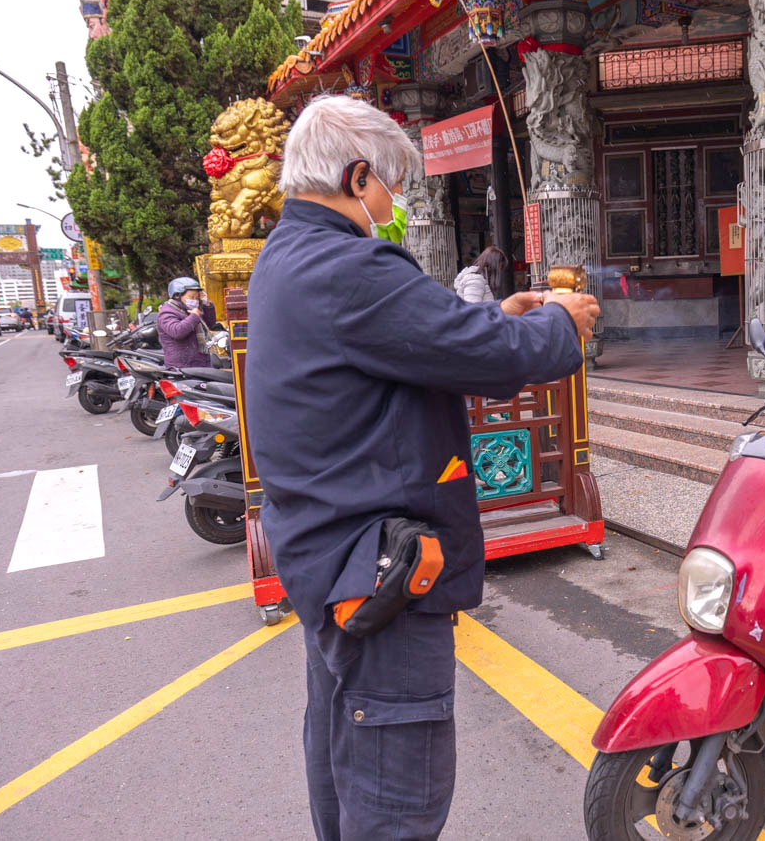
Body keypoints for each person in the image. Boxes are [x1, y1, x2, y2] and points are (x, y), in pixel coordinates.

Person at [242, 95, 599, 841]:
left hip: (326, 557)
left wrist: (494, 315)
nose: (393, 205)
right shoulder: (348, 265)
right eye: (392, 188)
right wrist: (558, 324)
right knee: (394, 797)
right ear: (357, 176)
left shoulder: (287, 256)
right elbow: (490, 358)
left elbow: (410, 341)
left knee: (344, 757)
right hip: (381, 574)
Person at [157, 277, 222, 368]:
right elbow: (177, 331)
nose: (195, 300)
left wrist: (207, 304)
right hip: (182, 366)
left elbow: (210, 324)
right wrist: (194, 316)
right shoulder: (167, 312)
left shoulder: (192, 309)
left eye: (197, 298)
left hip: (201, 362)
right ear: (177, 296)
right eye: (191, 297)